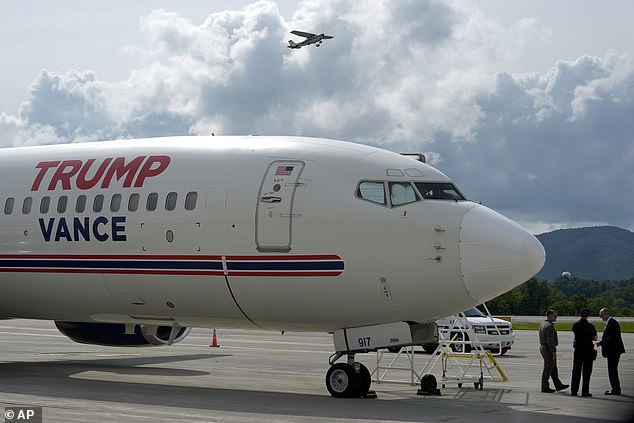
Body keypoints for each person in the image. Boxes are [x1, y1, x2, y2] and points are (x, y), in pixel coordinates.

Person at [539, 309, 569, 393]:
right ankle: (545, 387)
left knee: (553, 368)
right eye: (554, 315)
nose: (556, 317)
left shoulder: (543, 323)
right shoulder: (549, 326)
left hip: (544, 347)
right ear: (549, 316)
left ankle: (558, 385)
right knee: (548, 368)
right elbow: (550, 341)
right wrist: (553, 351)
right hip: (548, 349)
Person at [598, 308, 625, 395]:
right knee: (613, 370)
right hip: (614, 350)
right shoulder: (610, 322)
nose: (601, 317)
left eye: (601, 315)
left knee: (612, 370)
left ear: (606, 314)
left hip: (613, 351)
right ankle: (616, 388)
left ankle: (616, 389)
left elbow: (611, 339)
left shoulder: (612, 323)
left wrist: (601, 343)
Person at [570, 308, 597, 397]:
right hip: (588, 350)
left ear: (580, 314)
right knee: (587, 372)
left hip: (578, 350)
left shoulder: (576, 325)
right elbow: (595, 338)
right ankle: (585, 391)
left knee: (576, 371)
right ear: (588, 316)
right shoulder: (591, 326)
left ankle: (574, 390)